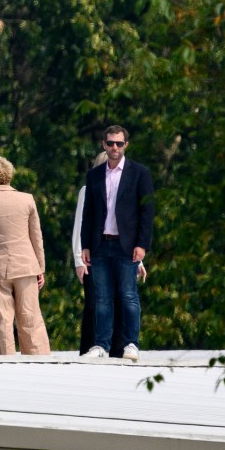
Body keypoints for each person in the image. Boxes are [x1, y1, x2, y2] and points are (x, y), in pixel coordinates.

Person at [80, 125, 155, 362]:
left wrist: (142, 244)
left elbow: (147, 211)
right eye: (110, 143)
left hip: (126, 245)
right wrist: (85, 245)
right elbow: (88, 213)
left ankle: (131, 343)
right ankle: (101, 344)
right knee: (101, 298)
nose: (114, 148)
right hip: (100, 243)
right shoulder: (94, 175)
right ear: (104, 144)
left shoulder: (139, 173)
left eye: (119, 144)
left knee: (128, 296)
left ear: (126, 145)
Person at [0, 156, 51, 355]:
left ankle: (7, 359)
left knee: (3, 319)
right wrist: (40, 267)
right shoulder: (27, 199)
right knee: (30, 316)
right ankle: (38, 358)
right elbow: (36, 235)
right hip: (26, 264)